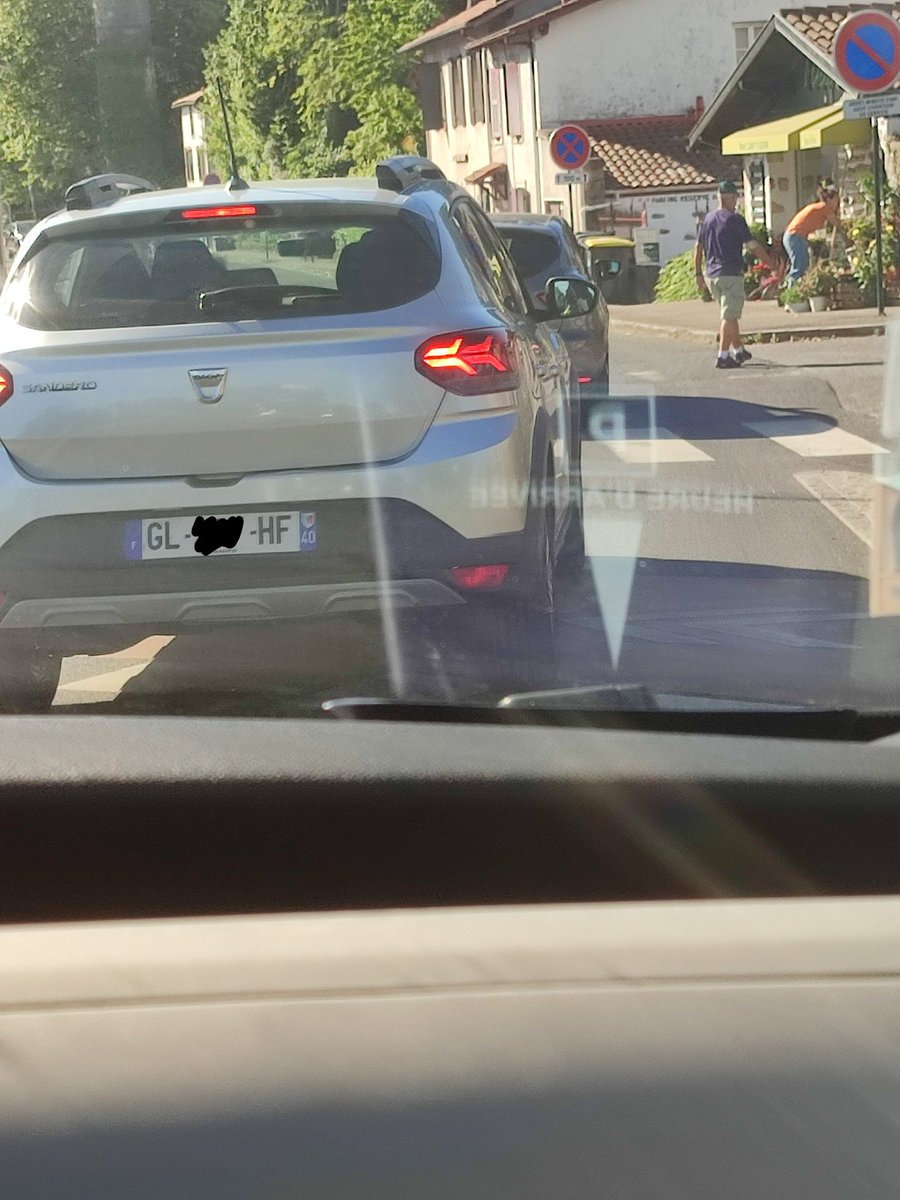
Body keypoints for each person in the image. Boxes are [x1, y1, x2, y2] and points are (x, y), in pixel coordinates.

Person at [694, 181, 776, 370]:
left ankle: (738, 350)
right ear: (730, 198)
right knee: (729, 316)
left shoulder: (708, 219)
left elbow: (698, 249)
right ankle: (723, 356)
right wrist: (770, 264)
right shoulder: (735, 219)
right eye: (736, 198)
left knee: (729, 313)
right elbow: (752, 246)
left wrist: (698, 274)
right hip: (730, 273)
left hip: (712, 275)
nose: (736, 202)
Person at [783, 181, 843, 284]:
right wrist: (847, 234)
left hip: (793, 236)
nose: (837, 205)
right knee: (800, 266)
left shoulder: (819, 208)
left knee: (802, 265)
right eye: (836, 201)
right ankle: (792, 294)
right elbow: (837, 224)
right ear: (828, 199)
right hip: (795, 236)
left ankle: (793, 290)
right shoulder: (824, 207)